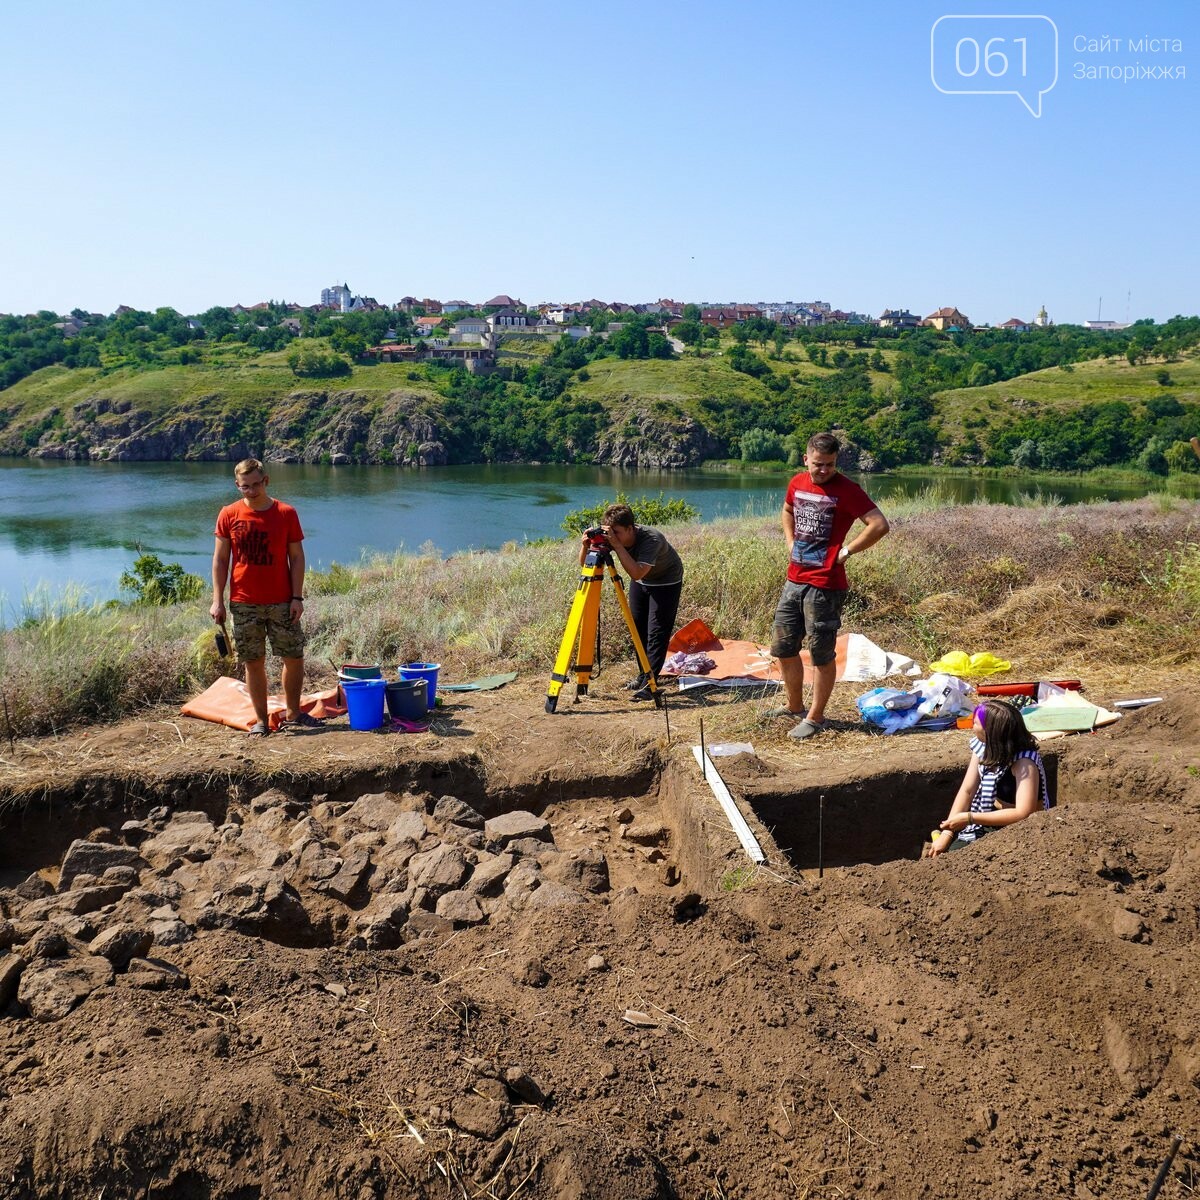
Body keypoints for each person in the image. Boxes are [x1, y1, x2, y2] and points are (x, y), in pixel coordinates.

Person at [769, 431, 889, 739]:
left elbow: (879, 524)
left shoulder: (847, 490)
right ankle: (794, 706)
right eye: (819, 464)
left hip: (826, 585)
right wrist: (790, 541)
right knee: (783, 647)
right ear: (805, 459)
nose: (824, 470)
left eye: (830, 465)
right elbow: (787, 509)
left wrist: (848, 551)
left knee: (821, 652)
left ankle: (816, 716)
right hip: (794, 579)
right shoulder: (796, 482)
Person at [210, 458, 313, 736]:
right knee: (253, 662)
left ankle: (294, 714)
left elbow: (297, 558)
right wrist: (217, 600)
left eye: (256, 484)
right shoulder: (228, 514)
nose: (252, 491)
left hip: (282, 600)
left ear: (266, 481)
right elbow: (220, 561)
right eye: (245, 487)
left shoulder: (285, 513)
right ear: (237, 485)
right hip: (244, 602)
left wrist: (297, 597)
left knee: (293, 657)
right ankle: (261, 722)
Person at [580, 503, 683, 701]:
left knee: (656, 632)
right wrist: (586, 547)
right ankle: (643, 674)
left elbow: (635, 572)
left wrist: (617, 546)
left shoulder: (652, 539)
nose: (613, 537)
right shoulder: (616, 536)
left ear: (630, 528)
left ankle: (649, 684)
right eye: (611, 533)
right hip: (642, 580)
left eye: (617, 533)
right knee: (637, 629)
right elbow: (585, 565)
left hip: (665, 580)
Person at [929, 698, 1050, 856]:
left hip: (1022, 830)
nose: (972, 727)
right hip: (989, 819)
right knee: (951, 853)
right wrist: (947, 834)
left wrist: (970, 818)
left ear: (991, 733)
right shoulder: (982, 747)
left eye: (976, 723)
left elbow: (1023, 813)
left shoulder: (1024, 763)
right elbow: (967, 790)